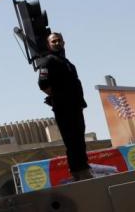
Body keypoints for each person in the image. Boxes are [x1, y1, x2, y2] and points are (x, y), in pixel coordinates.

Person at [37, 32, 92, 181]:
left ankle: (84, 167)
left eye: (59, 40)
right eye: (53, 41)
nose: (57, 43)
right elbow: (42, 84)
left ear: (64, 42)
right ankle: (78, 171)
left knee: (79, 138)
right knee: (71, 140)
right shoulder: (46, 61)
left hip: (76, 107)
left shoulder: (69, 64)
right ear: (49, 44)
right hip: (63, 108)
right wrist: (59, 97)